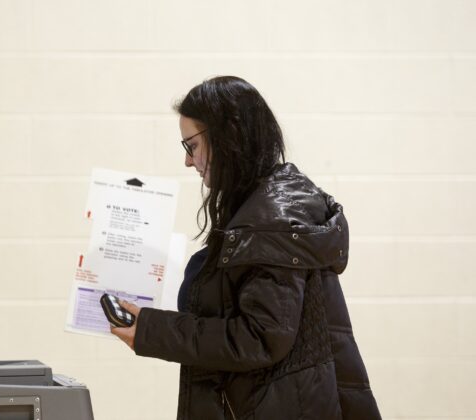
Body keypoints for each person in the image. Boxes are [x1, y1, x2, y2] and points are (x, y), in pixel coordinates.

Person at [111, 76, 382, 419]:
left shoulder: (270, 218)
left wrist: (152, 331)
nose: (187, 161)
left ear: (225, 139)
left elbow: (259, 337)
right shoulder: (263, 209)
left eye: (191, 145)